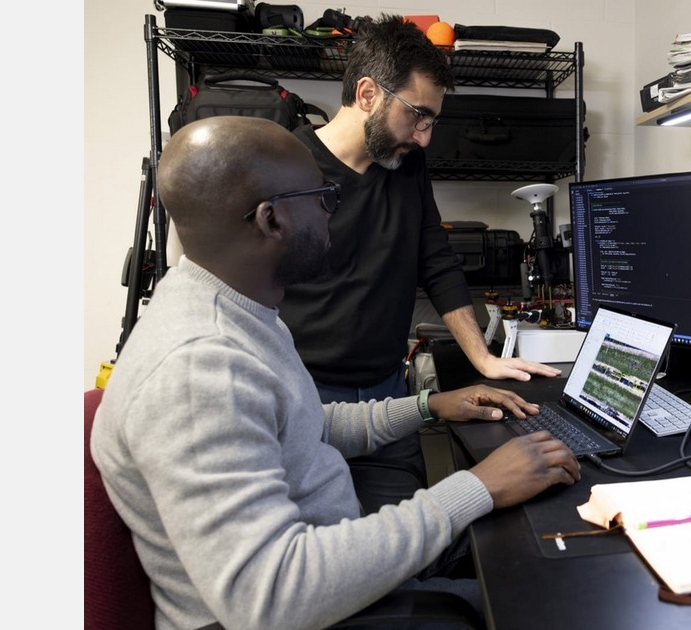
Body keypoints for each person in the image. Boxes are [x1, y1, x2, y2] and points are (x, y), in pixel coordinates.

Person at [90, 115, 581, 630]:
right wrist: (478, 487)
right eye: (323, 198)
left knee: (526, 544)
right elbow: (271, 597)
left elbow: (307, 426)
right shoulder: (199, 367)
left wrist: (429, 406)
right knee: (557, 603)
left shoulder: (235, 308)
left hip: (327, 568)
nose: (333, 213)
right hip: (302, 609)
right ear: (272, 220)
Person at [278, 13, 562, 511]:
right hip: (306, 397)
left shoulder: (407, 165)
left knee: (412, 551)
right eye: (417, 116)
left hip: (390, 393)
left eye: (432, 121)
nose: (425, 137)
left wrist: (483, 360)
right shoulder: (288, 167)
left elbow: (437, 262)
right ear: (368, 94)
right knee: (339, 555)